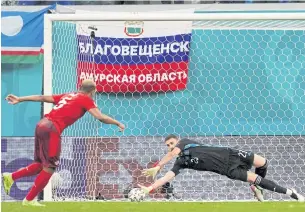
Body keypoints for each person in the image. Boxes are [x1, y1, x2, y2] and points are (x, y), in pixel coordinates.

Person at [2, 79, 125, 206]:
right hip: (52, 129)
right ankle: (29, 200)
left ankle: (11, 177)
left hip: (41, 125)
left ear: (80, 87)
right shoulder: (86, 99)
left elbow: (41, 97)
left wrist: (20, 99)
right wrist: (117, 123)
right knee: (50, 167)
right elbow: (100, 117)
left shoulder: (69, 95)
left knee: (40, 164)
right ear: (93, 91)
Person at [138, 134, 304, 202]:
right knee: (255, 177)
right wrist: (149, 188)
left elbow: (174, 152)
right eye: (167, 145)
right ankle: (292, 193)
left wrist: (158, 165)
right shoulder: (180, 163)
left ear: (177, 140)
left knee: (263, 162)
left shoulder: (185, 143)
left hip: (230, 154)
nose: (170, 146)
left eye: (171, 143)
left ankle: (258, 188)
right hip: (227, 170)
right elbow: (167, 177)